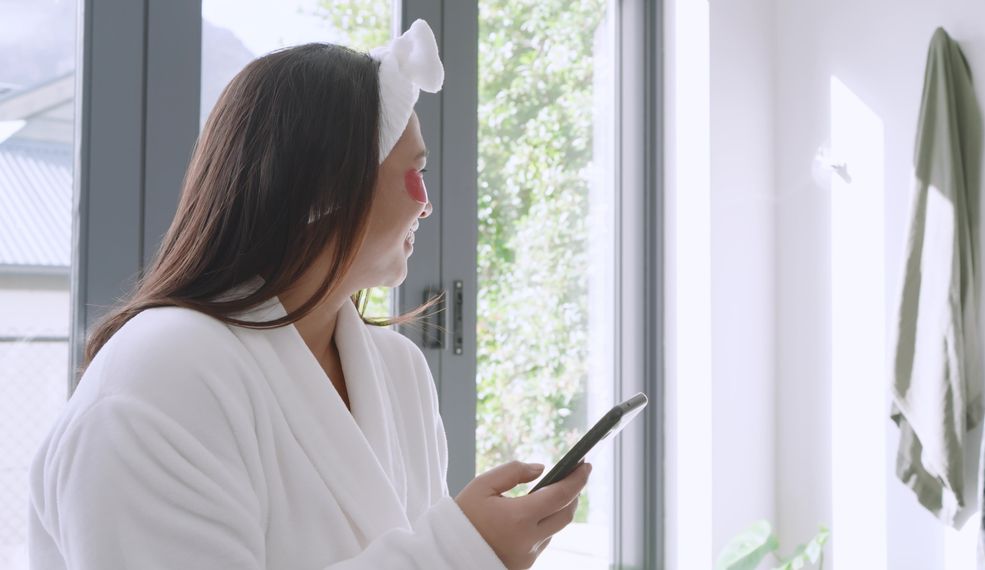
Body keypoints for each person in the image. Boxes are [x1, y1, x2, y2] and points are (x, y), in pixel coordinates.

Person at [27, 19, 589, 570]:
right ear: (327, 188)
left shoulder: (400, 371)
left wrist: (478, 549)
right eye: (414, 173)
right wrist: (461, 550)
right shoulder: (162, 373)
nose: (426, 204)